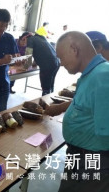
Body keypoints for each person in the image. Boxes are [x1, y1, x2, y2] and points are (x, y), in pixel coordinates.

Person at [47, 31, 109, 192]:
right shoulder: (90, 75)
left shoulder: (103, 77)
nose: (60, 63)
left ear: (74, 49)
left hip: (94, 163)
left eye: (61, 57)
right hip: (79, 157)